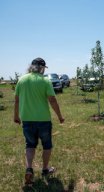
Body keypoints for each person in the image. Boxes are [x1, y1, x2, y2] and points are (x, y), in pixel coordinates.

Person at [14, 57, 64, 185]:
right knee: (46, 145)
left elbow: (17, 100)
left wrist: (16, 116)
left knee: (30, 145)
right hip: (43, 120)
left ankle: (29, 169)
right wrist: (59, 116)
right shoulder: (45, 81)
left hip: (27, 120)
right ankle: (45, 169)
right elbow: (52, 100)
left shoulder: (22, 80)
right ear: (41, 68)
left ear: (31, 66)